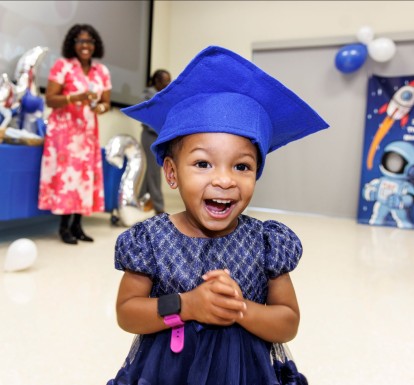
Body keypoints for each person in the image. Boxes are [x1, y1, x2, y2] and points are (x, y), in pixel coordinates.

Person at [107, 46, 328, 385]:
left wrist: (239, 308)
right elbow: (127, 313)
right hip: (168, 374)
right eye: (202, 163)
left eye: (242, 166)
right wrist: (186, 306)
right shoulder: (151, 240)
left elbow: (288, 322)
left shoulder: (266, 243)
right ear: (171, 172)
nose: (224, 179)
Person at [38, 24, 111, 245]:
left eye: (89, 41)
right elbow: (50, 99)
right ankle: (63, 227)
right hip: (64, 133)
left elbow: (106, 102)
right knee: (66, 178)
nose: (85, 45)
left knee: (84, 178)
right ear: (73, 44)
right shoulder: (62, 66)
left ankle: (78, 226)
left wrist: (101, 108)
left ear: (95, 45)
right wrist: (74, 98)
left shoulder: (102, 71)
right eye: (80, 41)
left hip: (88, 133)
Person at [139, 69, 171, 215]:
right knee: (154, 173)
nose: (168, 83)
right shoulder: (148, 94)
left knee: (148, 173)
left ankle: (138, 202)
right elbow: (150, 118)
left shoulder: (166, 95)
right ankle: (159, 209)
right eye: (166, 80)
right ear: (157, 81)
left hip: (160, 137)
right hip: (150, 136)